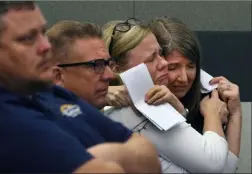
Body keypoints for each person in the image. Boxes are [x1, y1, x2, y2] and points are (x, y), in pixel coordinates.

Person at [0, 2, 161, 173]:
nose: (45, 46)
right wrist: (119, 157)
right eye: (28, 38)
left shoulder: (53, 94)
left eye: (42, 33)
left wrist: (106, 154)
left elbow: (149, 157)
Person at [102, 18, 240, 173]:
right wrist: (213, 114)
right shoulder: (143, 107)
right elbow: (216, 165)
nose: (164, 64)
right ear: (115, 68)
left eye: (160, 54)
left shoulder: (113, 107)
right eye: (151, 58)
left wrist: (235, 112)